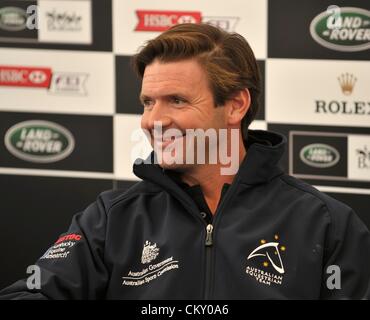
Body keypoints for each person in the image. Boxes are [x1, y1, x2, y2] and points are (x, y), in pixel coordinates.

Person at [1, 23, 369, 300]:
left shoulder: (326, 225)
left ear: (236, 105)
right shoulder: (111, 219)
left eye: (176, 100)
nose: (152, 121)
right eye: (148, 102)